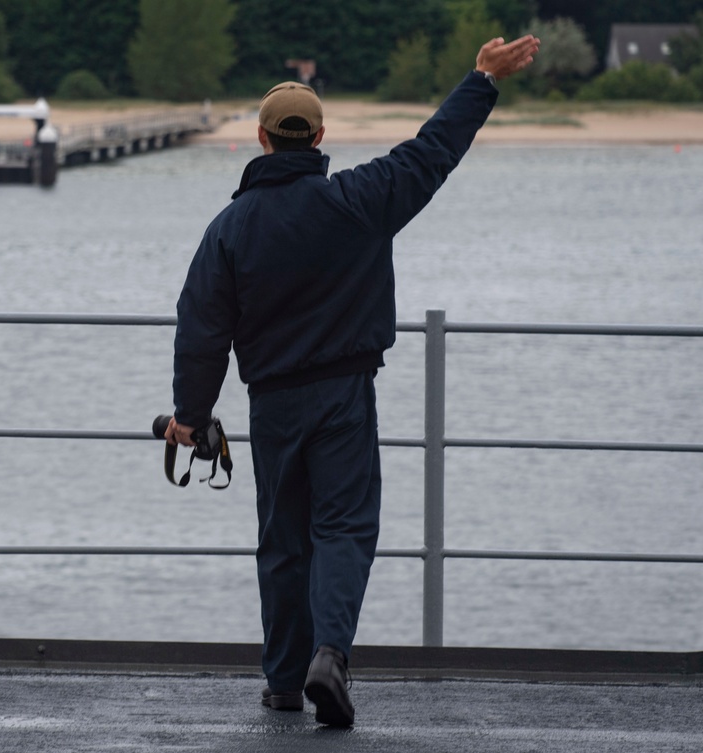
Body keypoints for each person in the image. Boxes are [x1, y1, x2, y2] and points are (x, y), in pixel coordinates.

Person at [164, 35, 540, 727]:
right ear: (320, 138)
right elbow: (431, 152)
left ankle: (282, 680)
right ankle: (329, 655)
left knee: (282, 540)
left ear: (262, 139)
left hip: (272, 402)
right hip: (344, 395)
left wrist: (191, 412)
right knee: (342, 527)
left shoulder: (229, 229)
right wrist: (481, 80)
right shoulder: (358, 201)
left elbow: (201, 328)